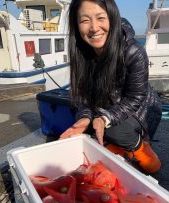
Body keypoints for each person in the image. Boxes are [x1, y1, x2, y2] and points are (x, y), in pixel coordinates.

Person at [60, 0, 162, 174]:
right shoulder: (82, 52)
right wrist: (84, 118)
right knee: (84, 128)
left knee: (113, 130)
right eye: (84, 20)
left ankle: (142, 148)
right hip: (107, 107)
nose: (93, 28)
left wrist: (104, 119)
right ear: (75, 25)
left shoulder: (134, 51)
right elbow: (83, 98)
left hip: (141, 110)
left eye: (101, 18)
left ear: (112, 18)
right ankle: (115, 147)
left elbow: (135, 98)